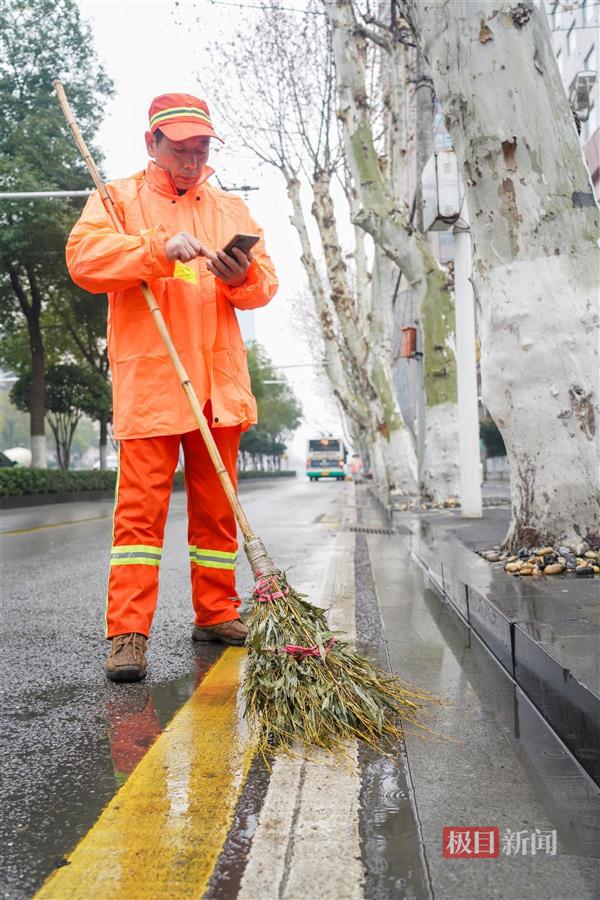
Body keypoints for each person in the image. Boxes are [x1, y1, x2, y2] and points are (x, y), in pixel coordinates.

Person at [66, 93, 278, 682]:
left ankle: (217, 612)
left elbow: (264, 288)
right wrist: (154, 248)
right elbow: (84, 262)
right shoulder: (116, 200)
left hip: (218, 385)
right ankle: (128, 633)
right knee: (140, 520)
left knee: (217, 515)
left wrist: (243, 277)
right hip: (155, 381)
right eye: (181, 149)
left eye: (201, 149)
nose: (191, 160)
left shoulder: (230, 208)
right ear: (151, 143)